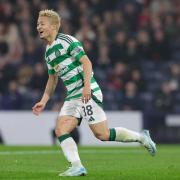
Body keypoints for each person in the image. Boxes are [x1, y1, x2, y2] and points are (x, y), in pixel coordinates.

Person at [32, 9, 157, 177]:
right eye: (38, 23)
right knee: (60, 129)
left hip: (87, 91)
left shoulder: (67, 41)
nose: (38, 26)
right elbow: (52, 79)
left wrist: (87, 88)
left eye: (42, 23)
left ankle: (141, 137)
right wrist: (44, 100)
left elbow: (87, 62)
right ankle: (77, 166)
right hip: (72, 96)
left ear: (54, 26)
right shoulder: (48, 52)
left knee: (102, 134)